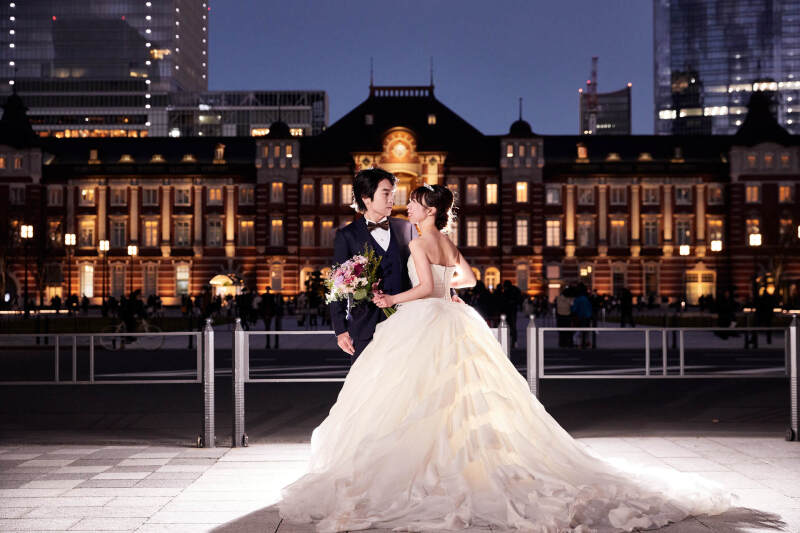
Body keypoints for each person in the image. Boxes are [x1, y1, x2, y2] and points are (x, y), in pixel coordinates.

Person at [279, 184, 732, 532]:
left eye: (415, 203)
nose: (408, 208)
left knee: (412, 393)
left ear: (430, 211)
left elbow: (419, 289)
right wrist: (447, 292)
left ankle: (429, 465)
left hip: (421, 317)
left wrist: (390, 297)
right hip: (453, 316)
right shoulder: (448, 243)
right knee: (465, 392)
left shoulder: (418, 241)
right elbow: (469, 278)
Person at [329, 167, 419, 361]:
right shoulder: (347, 236)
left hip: (405, 323)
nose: (392, 199)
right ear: (366, 197)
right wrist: (340, 330)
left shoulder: (407, 229)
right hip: (364, 327)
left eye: (393, 194)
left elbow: (422, 268)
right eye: (386, 193)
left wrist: (450, 294)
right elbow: (337, 285)